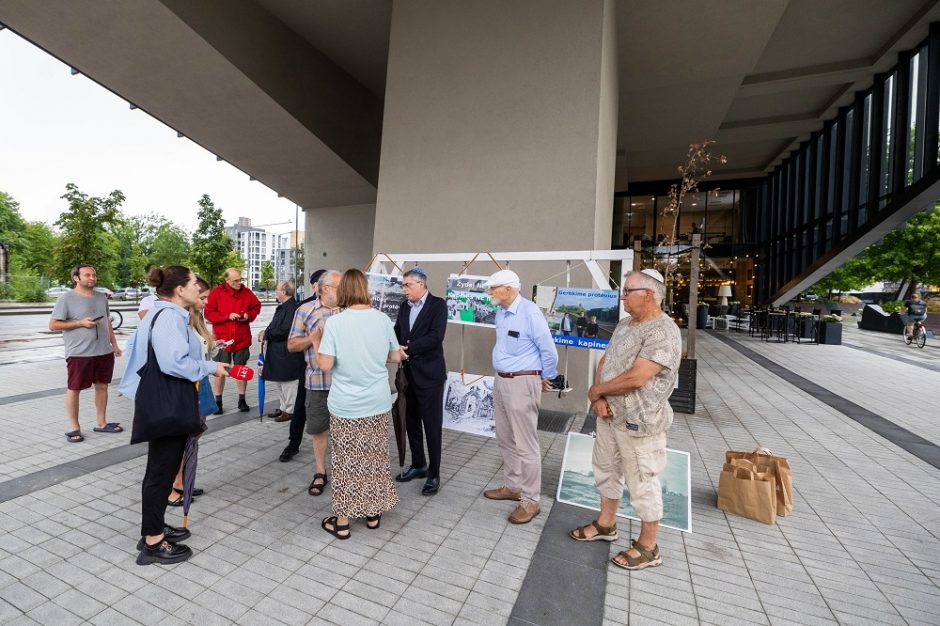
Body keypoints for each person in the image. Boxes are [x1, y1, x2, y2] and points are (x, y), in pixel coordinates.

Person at [569, 269, 680, 571]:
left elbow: (637, 377)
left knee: (643, 481)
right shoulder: (624, 324)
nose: (623, 297)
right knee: (606, 470)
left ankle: (648, 546)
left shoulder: (664, 332)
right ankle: (606, 524)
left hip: (640, 423)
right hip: (609, 416)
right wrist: (599, 398)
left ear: (649, 294)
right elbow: (606, 361)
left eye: (628, 291)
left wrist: (595, 391)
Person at [119, 266, 228, 565]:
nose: (198, 288)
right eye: (194, 283)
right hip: (168, 403)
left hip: (166, 401)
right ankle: (153, 542)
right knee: (160, 473)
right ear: (180, 290)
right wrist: (210, 367)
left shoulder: (167, 314)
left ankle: (153, 528)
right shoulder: (169, 316)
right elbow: (173, 362)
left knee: (161, 471)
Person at [313, 269, 401, 539]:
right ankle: (373, 514)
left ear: (343, 292)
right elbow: (396, 356)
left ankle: (342, 521)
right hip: (377, 401)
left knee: (346, 461)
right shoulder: (382, 319)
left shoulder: (336, 323)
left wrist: (317, 341)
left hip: (347, 404)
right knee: (374, 457)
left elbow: (326, 364)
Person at [482, 269, 558, 524]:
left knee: (526, 445)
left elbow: (549, 350)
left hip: (522, 382)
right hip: (502, 380)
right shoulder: (501, 312)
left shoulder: (530, 312)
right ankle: (512, 487)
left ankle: (530, 501)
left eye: (494, 288)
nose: (489, 292)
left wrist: (546, 376)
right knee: (505, 437)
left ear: (509, 288)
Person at [49, 264, 123, 442]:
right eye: (87, 275)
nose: (92, 278)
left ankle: (101, 423)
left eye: (94, 275)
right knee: (74, 389)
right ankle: (74, 428)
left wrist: (114, 344)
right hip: (79, 353)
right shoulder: (66, 299)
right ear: (76, 278)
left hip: (103, 351)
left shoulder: (101, 297)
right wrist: (80, 323)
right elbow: (53, 325)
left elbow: (107, 322)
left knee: (102, 386)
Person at [393, 267, 448, 495]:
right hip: (408, 376)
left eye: (407, 285)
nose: (404, 290)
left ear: (421, 285)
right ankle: (418, 465)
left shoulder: (437, 305)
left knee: (432, 426)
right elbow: (397, 331)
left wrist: (408, 350)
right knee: (411, 422)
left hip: (430, 376)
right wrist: (395, 347)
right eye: (403, 285)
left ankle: (434, 474)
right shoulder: (404, 306)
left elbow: (436, 337)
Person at [287, 270, 341, 493]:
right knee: (319, 430)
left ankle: (342, 472)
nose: (344, 291)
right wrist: (312, 339)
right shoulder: (304, 310)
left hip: (344, 383)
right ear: (325, 288)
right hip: (318, 382)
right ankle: (320, 471)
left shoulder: (348, 311)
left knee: (344, 431)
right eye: (340, 287)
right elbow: (291, 345)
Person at [168, 276, 216, 507]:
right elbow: (177, 360)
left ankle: (184, 480)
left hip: (200, 381)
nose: (205, 301)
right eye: (202, 296)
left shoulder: (196, 319)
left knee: (193, 437)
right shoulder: (179, 320)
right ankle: (175, 485)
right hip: (189, 386)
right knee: (184, 438)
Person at [278, 270, 327, 462]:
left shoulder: (342, 307)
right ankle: (293, 444)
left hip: (334, 373)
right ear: (315, 286)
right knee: (300, 407)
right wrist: (311, 340)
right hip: (306, 368)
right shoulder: (305, 307)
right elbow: (293, 340)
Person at [204, 268, 261, 414]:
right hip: (222, 340)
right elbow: (209, 314)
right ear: (226, 280)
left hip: (241, 338)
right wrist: (226, 316)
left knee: (240, 369)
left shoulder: (246, 292)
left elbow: (256, 307)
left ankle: (242, 400)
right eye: (235, 281)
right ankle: (218, 401)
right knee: (220, 371)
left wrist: (248, 315)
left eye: (240, 280)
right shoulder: (216, 293)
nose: (239, 283)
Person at [259, 280, 305, 422]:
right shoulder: (284, 306)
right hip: (278, 351)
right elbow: (274, 326)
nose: (276, 292)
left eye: (277, 289)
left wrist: (267, 334)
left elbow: (285, 330)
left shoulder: (292, 308)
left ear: (284, 292)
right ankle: (283, 407)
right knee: (280, 380)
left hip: (286, 352)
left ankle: (290, 410)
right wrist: (265, 332)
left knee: (288, 382)